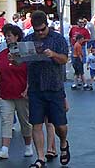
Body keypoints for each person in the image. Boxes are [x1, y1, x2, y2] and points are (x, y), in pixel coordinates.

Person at [23, 10, 70, 168]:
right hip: (35, 87)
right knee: (36, 124)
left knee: (60, 125)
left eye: (42, 29)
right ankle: (40, 158)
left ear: (47, 25)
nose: (40, 33)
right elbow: (21, 61)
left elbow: (64, 59)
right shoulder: (28, 39)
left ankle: (63, 143)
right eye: (36, 30)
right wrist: (14, 59)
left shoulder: (58, 38)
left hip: (54, 86)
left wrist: (53, 54)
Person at [0, 23, 33, 160]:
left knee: (25, 121)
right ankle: (4, 149)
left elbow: (30, 74)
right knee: (6, 120)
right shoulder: (2, 54)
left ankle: (28, 145)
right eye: (5, 36)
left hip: (21, 93)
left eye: (9, 36)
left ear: (17, 37)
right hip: (5, 92)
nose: (7, 38)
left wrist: (27, 89)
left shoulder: (25, 54)